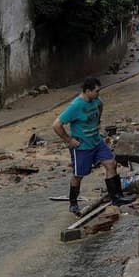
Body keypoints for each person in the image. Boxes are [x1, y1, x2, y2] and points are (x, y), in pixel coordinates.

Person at [52, 76, 131, 215]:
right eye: (96, 91)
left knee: (111, 164)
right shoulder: (76, 106)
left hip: (97, 141)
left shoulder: (95, 100)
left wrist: (98, 120)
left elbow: (101, 105)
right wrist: (69, 140)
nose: (98, 94)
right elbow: (56, 125)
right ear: (87, 91)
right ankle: (73, 202)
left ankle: (116, 197)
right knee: (79, 175)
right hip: (82, 147)